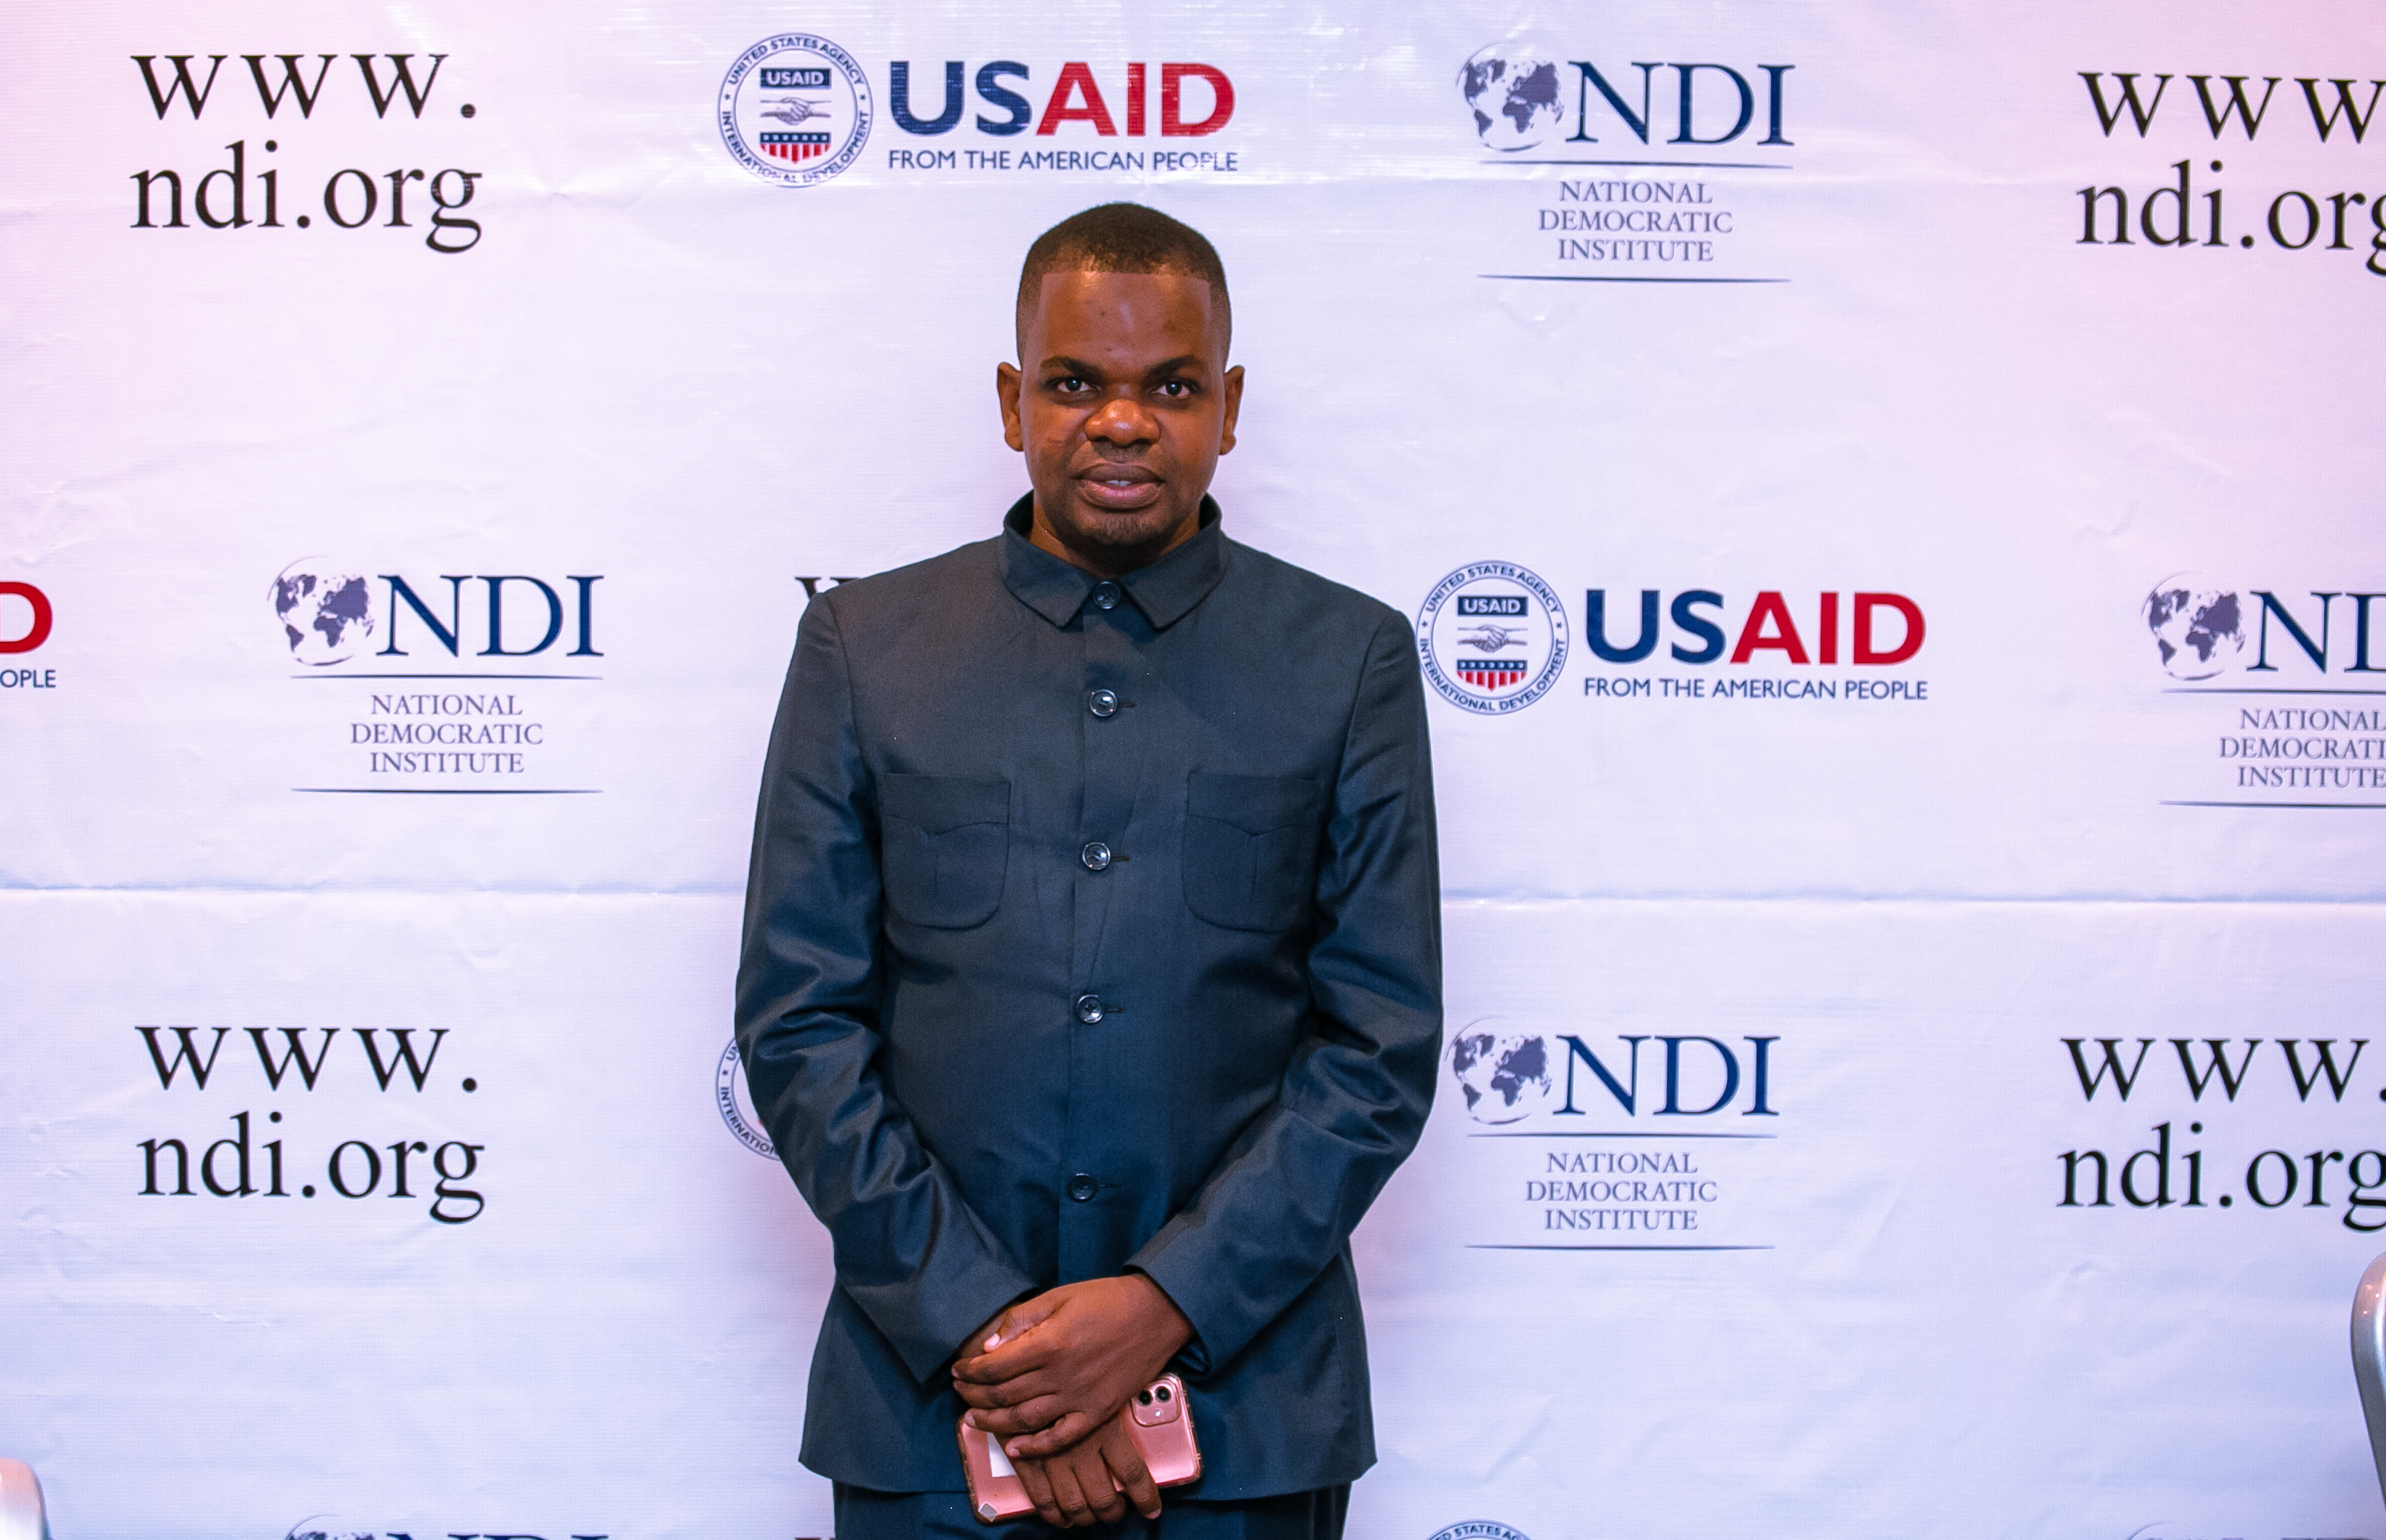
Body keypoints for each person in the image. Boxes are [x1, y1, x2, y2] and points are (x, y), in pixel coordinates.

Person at [735, 202, 1442, 1539]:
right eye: (1074, 384)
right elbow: (799, 1028)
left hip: (1244, 1418)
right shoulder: (863, 648)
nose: (1122, 422)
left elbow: (1378, 1050)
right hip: (929, 1415)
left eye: (1170, 386)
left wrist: (1162, 1309)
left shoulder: (1346, 659)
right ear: (1013, 403)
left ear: (1228, 407)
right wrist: (998, 1345)